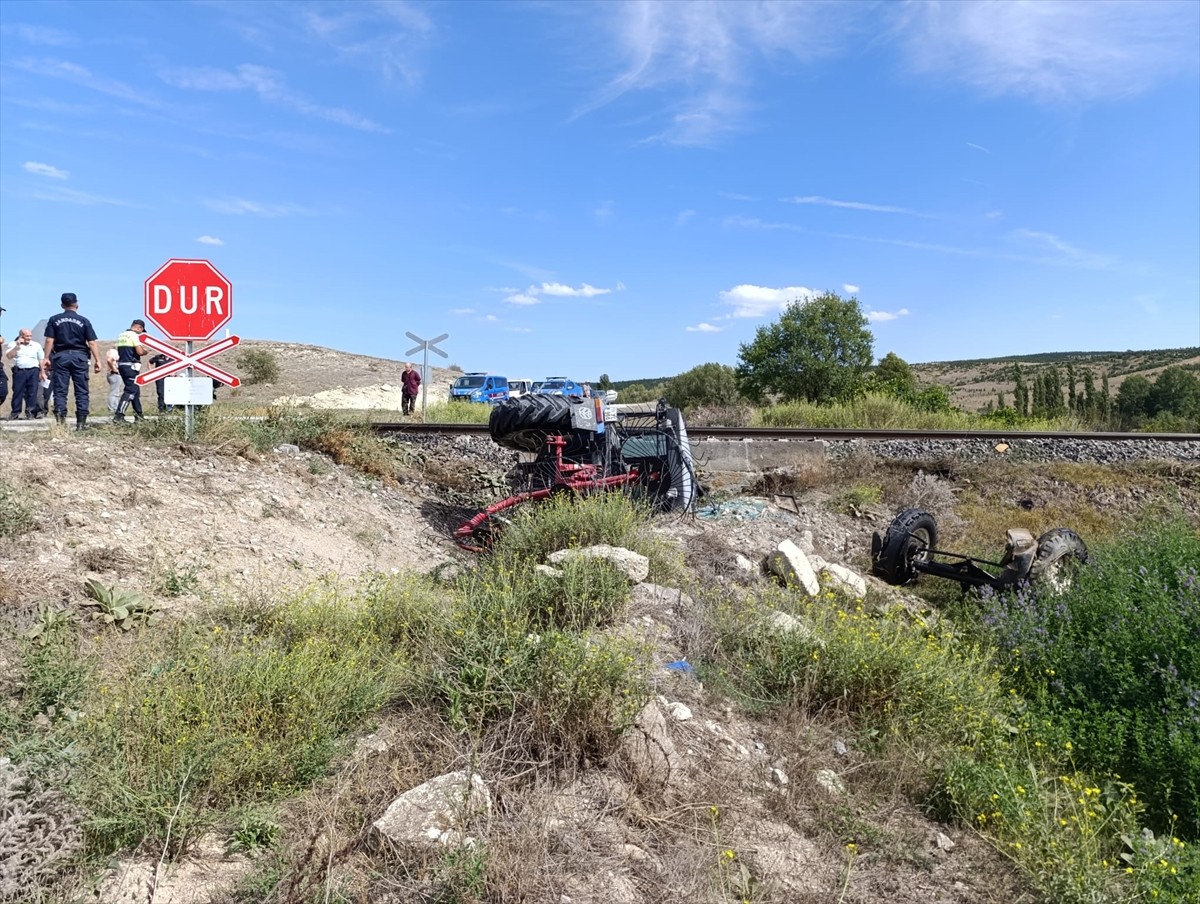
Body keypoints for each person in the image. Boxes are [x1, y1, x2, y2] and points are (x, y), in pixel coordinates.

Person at [41, 292, 101, 430]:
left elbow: (50, 339)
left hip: (61, 356)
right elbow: (91, 342)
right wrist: (98, 360)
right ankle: (81, 424)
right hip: (80, 357)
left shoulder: (54, 319)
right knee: (81, 390)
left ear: (62, 305)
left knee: (60, 390)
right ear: (76, 304)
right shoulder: (84, 321)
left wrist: (46, 358)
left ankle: (60, 423)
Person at [113, 319, 147, 423]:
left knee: (135, 391)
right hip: (131, 366)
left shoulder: (121, 335)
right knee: (130, 391)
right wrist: (145, 351)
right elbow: (139, 351)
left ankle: (139, 416)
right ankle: (119, 416)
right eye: (141, 331)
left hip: (122, 365)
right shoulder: (134, 336)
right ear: (139, 328)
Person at [6, 328, 45, 419]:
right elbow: (9, 356)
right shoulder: (13, 344)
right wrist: (17, 346)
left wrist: (42, 372)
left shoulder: (36, 345)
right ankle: (15, 412)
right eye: (27, 336)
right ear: (21, 336)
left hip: (33, 371)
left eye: (30, 336)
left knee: (32, 392)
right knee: (18, 392)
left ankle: (30, 412)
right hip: (19, 371)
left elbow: (41, 359)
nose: (29, 338)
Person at [105, 346, 121, 413]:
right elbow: (109, 360)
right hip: (114, 374)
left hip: (112, 374)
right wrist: (114, 369)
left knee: (116, 392)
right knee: (114, 393)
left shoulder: (110, 351)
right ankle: (112, 409)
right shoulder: (114, 352)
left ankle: (115, 408)